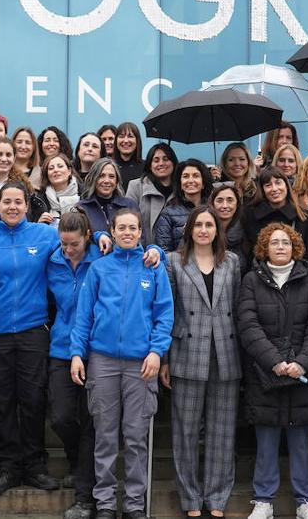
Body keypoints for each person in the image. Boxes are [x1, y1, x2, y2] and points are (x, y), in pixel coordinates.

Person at [70, 207, 173, 519]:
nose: (127, 233)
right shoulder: (99, 269)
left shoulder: (153, 269)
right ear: (111, 232)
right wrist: (77, 353)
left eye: (133, 228)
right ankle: (104, 502)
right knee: (104, 434)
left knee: (136, 436)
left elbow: (164, 315)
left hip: (141, 363)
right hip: (102, 361)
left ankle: (133, 505)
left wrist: (157, 352)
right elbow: (83, 316)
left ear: (141, 232)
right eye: (122, 228)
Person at [0, 183, 73, 495]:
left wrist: (102, 238)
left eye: (17, 202)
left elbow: (79, 239)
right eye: (6, 201)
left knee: (33, 400)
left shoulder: (44, 235)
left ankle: (35, 465)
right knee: (4, 401)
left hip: (34, 330)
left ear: (26, 205)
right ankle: (9, 466)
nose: (12, 207)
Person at [236, 223, 308, 519]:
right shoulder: (252, 280)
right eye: (274, 242)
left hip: (302, 373)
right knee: (266, 439)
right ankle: (263, 500)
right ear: (264, 248)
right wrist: (273, 361)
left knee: (300, 440)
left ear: (294, 248)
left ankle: (305, 501)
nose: (279, 247)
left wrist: (302, 362)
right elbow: (248, 325)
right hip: (265, 373)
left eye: (285, 242)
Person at [162, 207, 241, 519]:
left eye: (210, 225)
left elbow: (237, 307)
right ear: (189, 230)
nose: (204, 230)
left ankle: (217, 497)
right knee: (186, 431)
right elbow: (166, 313)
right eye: (199, 225)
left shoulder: (232, 262)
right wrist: (165, 358)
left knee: (222, 431)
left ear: (217, 230)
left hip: (225, 353)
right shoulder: (173, 262)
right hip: (187, 353)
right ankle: (191, 498)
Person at [46, 211, 104, 519]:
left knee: (92, 423)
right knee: (61, 418)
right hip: (62, 349)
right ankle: (76, 462)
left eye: (74, 244)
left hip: (96, 351)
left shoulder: (101, 259)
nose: (68, 250)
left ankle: (86, 497)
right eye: (63, 244)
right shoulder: (52, 260)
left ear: (88, 238)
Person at [153, 159, 212, 252]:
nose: (191, 180)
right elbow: (164, 250)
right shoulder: (168, 213)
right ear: (180, 183)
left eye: (196, 176)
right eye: (185, 176)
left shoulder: (213, 208)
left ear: (203, 182)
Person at [76, 158, 137, 234]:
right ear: (94, 179)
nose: (106, 181)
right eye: (101, 176)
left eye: (111, 176)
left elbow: (140, 236)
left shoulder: (129, 205)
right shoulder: (82, 207)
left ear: (117, 181)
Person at [210, 183, 249, 263]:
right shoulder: (202, 227)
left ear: (237, 204)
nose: (225, 206)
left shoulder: (247, 227)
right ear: (212, 204)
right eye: (219, 201)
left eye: (230, 200)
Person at [40, 154, 82, 224]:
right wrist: (39, 224)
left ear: (69, 171)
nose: (55, 170)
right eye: (51, 168)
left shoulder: (84, 194)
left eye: (60, 166)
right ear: (47, 174)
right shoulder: (40, 200)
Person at [112, 122, 144, 189]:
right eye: (121, 136)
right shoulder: (109, 166)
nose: (126, 140)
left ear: (137, 140)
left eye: (130, 136)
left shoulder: (146, 167)